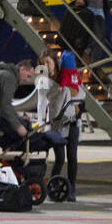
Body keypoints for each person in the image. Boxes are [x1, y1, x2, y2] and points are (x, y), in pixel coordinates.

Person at [34, 52, 83, 201]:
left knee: (72, 157)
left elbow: (80, 94)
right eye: (44, 63)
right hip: (56, 123)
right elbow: (41, 102)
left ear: (55, 62)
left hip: (72, 122)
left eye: (49, 62)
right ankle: (52, 186)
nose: (47, 66)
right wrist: (41, 123)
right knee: (60, 157)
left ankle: (72, 189)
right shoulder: (43, 81)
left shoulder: (67, 74)